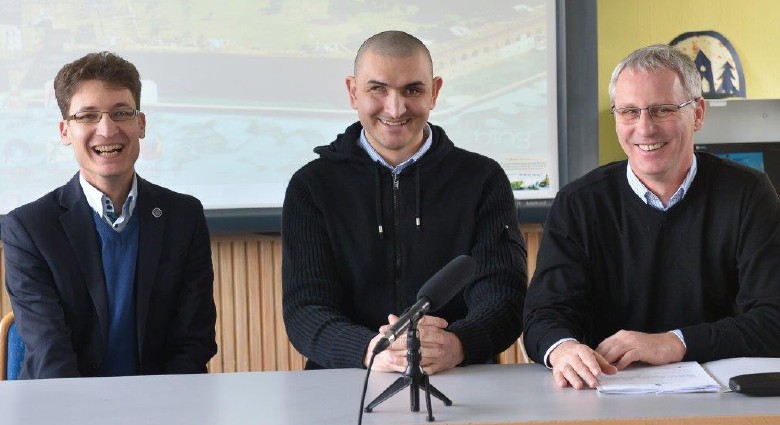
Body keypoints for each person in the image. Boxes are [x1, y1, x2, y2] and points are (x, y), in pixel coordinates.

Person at [523, 44, 780, 389]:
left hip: (724, 395)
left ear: (698, 114)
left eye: (662, 110)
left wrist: (674, 343)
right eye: (629, 112)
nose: (644, 129)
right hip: (606, 392)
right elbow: (543, 315)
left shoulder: (748, 194)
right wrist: (563, 349)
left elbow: (773, 318)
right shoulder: (578, 203)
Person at [282, 30, 527, 375]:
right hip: (348, 377)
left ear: (434, 92)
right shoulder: (311, 186)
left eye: (412, 90)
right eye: (378, 89)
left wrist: (457, 344)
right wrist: (373, 350)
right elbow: (305, 309)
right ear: (353, 91)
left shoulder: (483, 179)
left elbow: (504, 295)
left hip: (458, 373)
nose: (395, 109)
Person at [1, 51, 217, 379]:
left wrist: (162, 404)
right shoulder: (29, 228)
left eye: (121, 113)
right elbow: (50, 353)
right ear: (64, 131)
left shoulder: (183, 217)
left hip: (162, 401)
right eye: (87, 116)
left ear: (141, 124)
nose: (106, 129)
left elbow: (193, 343)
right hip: (63, 402)